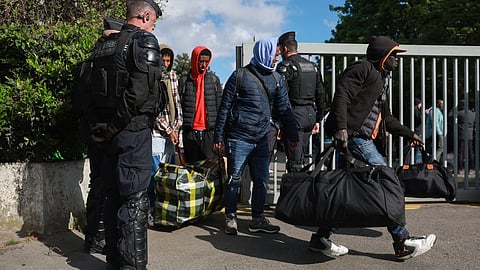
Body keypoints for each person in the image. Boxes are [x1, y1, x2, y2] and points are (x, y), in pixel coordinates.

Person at [323, 35, 436, 260]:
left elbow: (386, 119)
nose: (397, 59)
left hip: (361, 139)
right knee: (387, 182)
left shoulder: (381, 79)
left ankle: (321, 238)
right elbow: (342, 94)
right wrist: (342, 128)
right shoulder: (362, 69)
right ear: (382, 55)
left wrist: (410, 134)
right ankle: (402, 242)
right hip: (355, 138)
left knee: (348, 192)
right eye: (393, 55)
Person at [86, 1, 164, 269]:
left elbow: (89, 90)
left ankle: (113, 261)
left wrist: (104, 128)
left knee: (112, 197)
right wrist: (115, 126)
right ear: (145, 16)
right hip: (131, 132)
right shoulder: (144, 41)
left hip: (107, 135)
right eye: (153, 20)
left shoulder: (104, 46)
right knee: (134, 203)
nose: (153, 25)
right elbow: (139, 94)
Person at [214, 38, 299, 235]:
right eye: (274, 55)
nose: (276, 59)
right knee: (234, 178)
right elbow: (224, 108)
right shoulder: (240, 76)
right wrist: (218, 136)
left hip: (262, 139)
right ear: (265, 53)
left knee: (261, 180)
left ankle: (258, 218)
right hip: (238, 137)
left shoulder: (277, 79)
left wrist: (293, 136)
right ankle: (231, 216)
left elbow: (285, 110)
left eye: (277, 56)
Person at [79, 17, 125, 255]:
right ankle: (99, 238)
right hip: (105, 131)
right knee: (106, 185)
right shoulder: (106, 59)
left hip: (93, 130)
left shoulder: (90, 58)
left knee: (99, 183)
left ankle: (93, 237)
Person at [276, 31, 327, 173]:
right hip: (310, 115)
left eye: (280, 49)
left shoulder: (285, 66)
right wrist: (318, 119)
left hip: (294, 116)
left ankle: (296, 193)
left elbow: (281, 96)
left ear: (285, 49)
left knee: (294, 162)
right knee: (302, 157)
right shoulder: (313, 66)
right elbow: (321, 95)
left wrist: (279, 122)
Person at [147, 44, 182, 226]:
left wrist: (176, 127)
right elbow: (155, 110)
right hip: (157, 134)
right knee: (154, 175)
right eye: (163, 60)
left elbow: (177, 103)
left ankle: (166, 212)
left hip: (172, 134)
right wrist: (168, 129)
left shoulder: (174, 76)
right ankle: (151, 211)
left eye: (169, 60)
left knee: (168, 175)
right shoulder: (153, 77)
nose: (166, 64)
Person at [179, 46, 223, 163]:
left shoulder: (214, 80)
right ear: (195, 60)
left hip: (209, 132)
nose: (204, 65)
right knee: (190, 169)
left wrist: (220, 134)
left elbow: (220, 107)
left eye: (206, 61)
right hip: (190, 132)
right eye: (201, 61)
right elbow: (179, 106)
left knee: (208, 169)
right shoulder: (184, 81)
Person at [457, 100, 475, 172]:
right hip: (470, 135)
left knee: (460, 153)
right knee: (470, 152)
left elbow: (450, 116)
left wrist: (453, 109)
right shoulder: (472, 113)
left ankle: (459, 167)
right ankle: (471, 167)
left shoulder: (459, 113)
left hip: (461, 135)